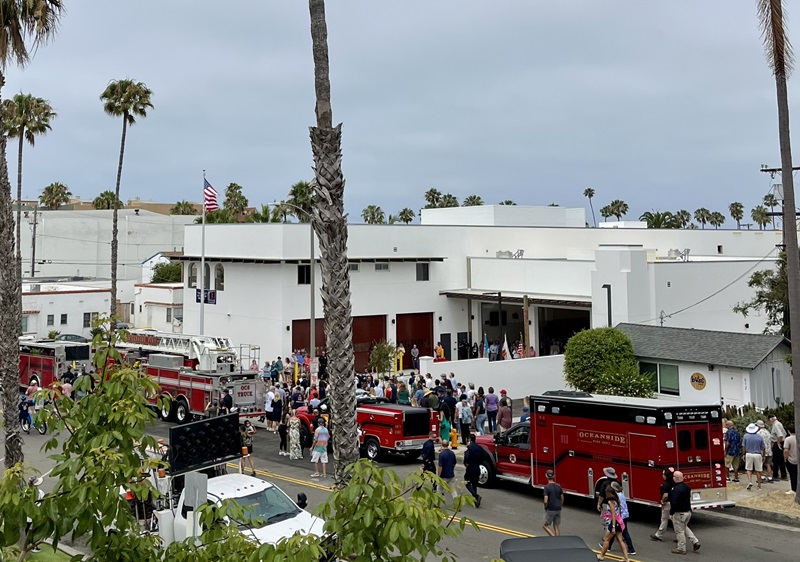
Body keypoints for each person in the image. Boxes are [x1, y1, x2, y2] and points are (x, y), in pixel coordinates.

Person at [669, 471, 700, 554]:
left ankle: (681, 548)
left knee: (679, 531)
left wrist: (671, 513)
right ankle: (695, 541)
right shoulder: (687, 487)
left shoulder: (676, 489)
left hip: (680, 513)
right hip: (688, 512)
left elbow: (674, 502)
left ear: (676, 478)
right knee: (684, 527)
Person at [596, 487, 629, 562]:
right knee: (620, 540)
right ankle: (626, 558)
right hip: (619, 521)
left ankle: (601, 556)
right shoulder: (616, 500)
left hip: (614, 522)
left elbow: (613, 514)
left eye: (606, 492)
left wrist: (613, 526)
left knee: (607, 539)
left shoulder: (611, 502)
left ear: (609, 493)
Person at [607, 482, 636, 556]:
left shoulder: (616, 497)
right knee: (617, 532)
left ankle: (631, 549)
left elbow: (618, 508)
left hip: (620, 517)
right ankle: (608, 546)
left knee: (623, 532)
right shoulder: (622, 494)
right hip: (625, 515)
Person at [650, 467, 675, 542]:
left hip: (667, 504)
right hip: (674, 503)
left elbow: (665, 495)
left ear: (665, 476)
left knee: (664, 519)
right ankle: (678, 536)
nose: (662, 475)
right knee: (675, 520)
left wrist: (663, 501)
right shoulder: (673, 482)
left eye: (663, 474)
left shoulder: (665, 484)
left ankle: (659, 535)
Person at [743, 423, 765, 490]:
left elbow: (744, 446)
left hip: (749, 453)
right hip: (757, 454)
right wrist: (763, 455)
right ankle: (759, 485)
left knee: (749, 469)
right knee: (758, 470)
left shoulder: (746, 436)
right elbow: (763, 448)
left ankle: (750, 481)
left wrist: (743, 454)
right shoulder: (759, 437)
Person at [542, 469, 563, 537]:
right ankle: (558, 540)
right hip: (558, 509)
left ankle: (554, 538)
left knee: (545, 526)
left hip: (551, 509)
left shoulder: (546, 487)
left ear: (546, 476)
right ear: (554, 476)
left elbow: (545, 500)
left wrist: (545, 506)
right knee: (556, 526)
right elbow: (562, 498)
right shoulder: (558, 486)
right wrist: (560, 505)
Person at [463, 433, 482, 507]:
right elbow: (482, 457)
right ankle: (475, 500)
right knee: (474, 483)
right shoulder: (479, 448)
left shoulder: (469, 448)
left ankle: (476, 496)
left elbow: (467, 457)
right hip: (477, 467)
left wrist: (466, 462)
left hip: (470, 468)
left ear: (470, 440)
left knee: (466, 482)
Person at [770, 415, 788, 481]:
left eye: (770, 420)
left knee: (775, 460)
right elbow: (784, 433)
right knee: (781, 460)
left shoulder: (776, 425)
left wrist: (778, 443)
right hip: (782, 442)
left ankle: (775, 475)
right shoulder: (779, 423)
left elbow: (780, 435)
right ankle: (784, 475)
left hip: (778, 442)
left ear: (772, 419)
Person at [784, 425, 798, 494]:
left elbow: (786, 450)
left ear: (789, 431)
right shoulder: (798, 438)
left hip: (791, 459)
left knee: (792, 474)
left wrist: (785, 458)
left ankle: (793, 489)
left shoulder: (788, 439)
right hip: (798, 459)